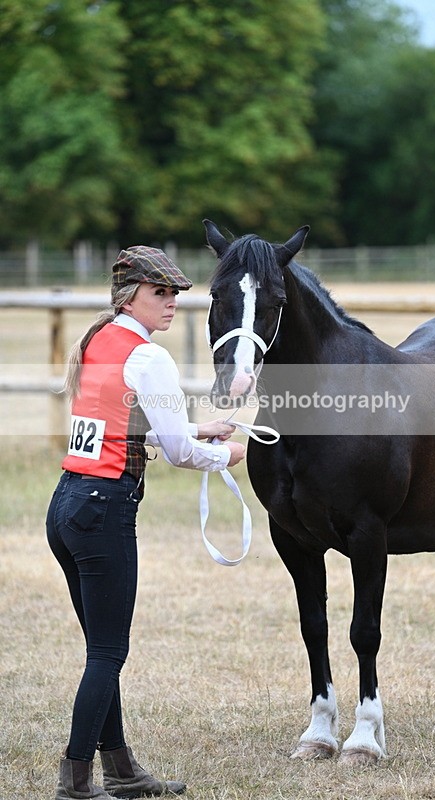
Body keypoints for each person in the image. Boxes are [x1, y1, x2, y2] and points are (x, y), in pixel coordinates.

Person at [46, 246, 246, 799]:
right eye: (161, 293)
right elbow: (178, 452)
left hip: (67, 506)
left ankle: (120, 771)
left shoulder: (97, 340)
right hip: (103, 509)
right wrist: (222, 455)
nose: (172, 304)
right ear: (131, 294)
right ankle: (76, 781)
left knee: (101, 653)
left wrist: (201, 430)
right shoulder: (149, 356)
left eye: (176, 294)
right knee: (108, 654)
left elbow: (130, 428)